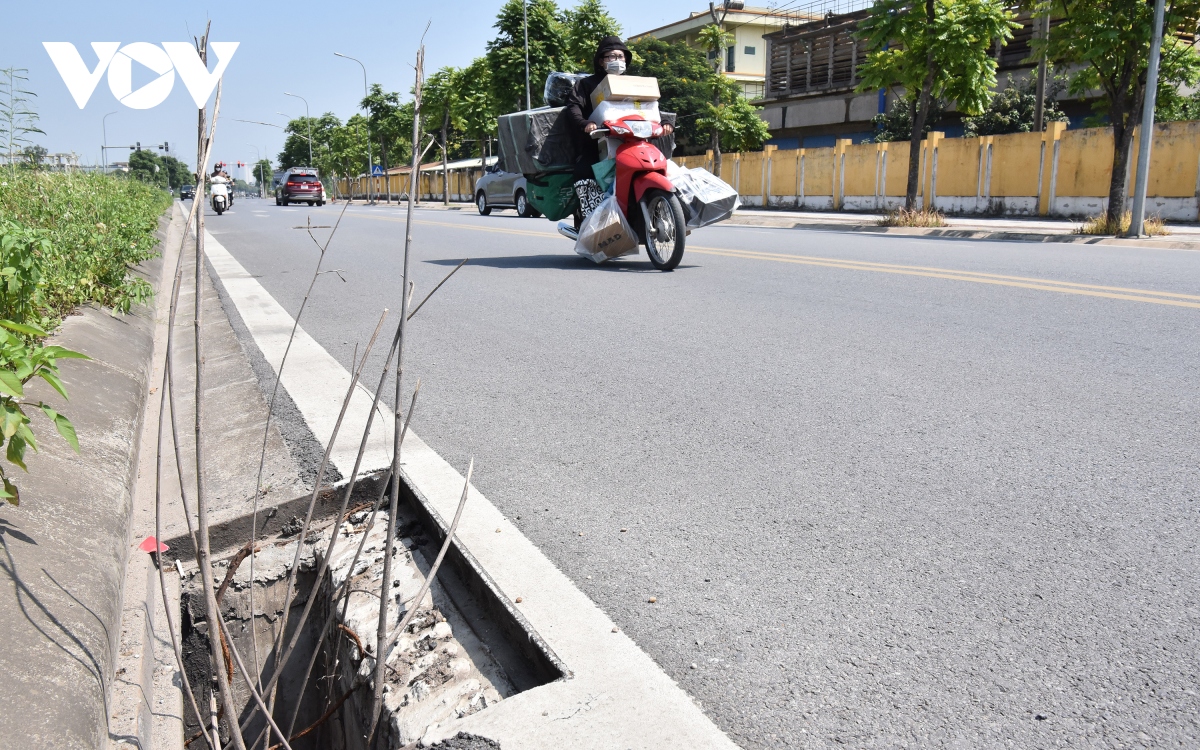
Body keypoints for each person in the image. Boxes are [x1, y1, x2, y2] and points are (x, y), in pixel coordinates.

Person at [563, 36, 673, 226]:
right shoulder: (586, 84)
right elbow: (573, 107)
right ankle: (590, 223)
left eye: (621, 57)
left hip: (633, 140)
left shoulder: (632, 84)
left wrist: (663, 121)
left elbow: (649, 106)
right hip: (599, 141)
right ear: (601, 60)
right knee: (585, 172)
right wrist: (585, 123)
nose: (618, 61)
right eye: (612, 56)